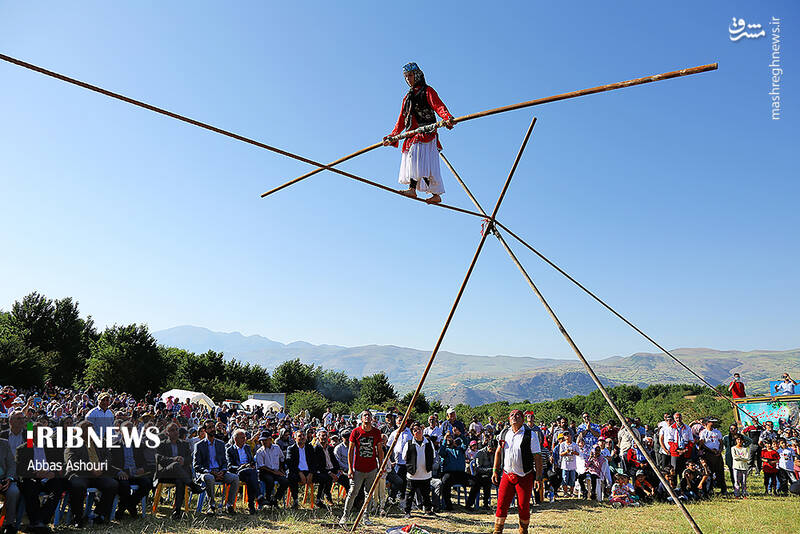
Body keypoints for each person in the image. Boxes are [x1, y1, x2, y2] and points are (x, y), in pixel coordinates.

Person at [383, 62, 455, 205]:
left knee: (419, 160)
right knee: (419, 164)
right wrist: (393, 135)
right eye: (406, 77)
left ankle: (415, 190)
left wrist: (446, 118)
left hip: (426, 133)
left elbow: (438, 106)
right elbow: (402, 119)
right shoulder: (407, 98)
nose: (408, 79)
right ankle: (434, 194)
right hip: (413, 134)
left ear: (417, 75)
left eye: (410, 75)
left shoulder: (427, 91)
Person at [491, 409, 542, 534]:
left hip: (524, 476)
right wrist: (495, 471)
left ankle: (523, 531)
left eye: (518, 415)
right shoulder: (504, 433)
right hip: (507, 474)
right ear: (509, 419)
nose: (514, 417)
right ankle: (497, 531)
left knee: (524, 507)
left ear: (523, 419)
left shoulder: (530, 435)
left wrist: (539, 478)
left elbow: (538, 457)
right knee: (501, 505)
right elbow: (498, 452)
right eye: (512, 415)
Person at [339, 410, 384, 528]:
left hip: (372, 468)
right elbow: (350, 451)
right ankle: (345, 516)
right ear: (361, 418)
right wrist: (350, 468)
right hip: (358, 468)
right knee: (353, 492)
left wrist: (381, 466)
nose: (367, 417)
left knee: (368, 493)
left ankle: (366, 517)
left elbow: (379, 450)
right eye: (365, 415)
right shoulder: (355, 432)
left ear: (372, 418)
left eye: (369, 415)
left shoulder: (376, 432)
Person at [193, 419, 239, 515]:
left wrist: (222, 471)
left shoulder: (220, 444)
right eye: (209, 428)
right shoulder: (199, 445)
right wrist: (211, 471)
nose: (212, 429)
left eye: (213, 427)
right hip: (205, 472)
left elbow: (224, 462)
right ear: (205, 430)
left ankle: (229, 505)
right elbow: (197, 465)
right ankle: (212, 505)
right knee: (209, 478)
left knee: (234, 478)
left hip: (219, 472)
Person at [154, 422, 196, 519]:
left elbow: (190, 459)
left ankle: (177, 511)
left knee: (180, 481)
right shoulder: (161, 444)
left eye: (177, 429)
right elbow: (160, 459)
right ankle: (193, 485)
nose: (176, 432)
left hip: (179, 475)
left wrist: (183, 460)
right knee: (175, 464)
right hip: (165, 474)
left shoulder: (184, 444)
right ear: (167, 433)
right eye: (172, 430)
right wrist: (174, 460)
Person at [400, 421, 435, 519]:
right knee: (409, 495)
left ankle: (428, 510)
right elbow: (404, 457)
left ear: (422, 430)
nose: (417, 432)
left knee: (426, 494)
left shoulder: (429, 442)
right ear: (412, 433)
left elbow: (433, 455)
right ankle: (407, 512)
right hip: (413, 474)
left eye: (419, 429)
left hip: (425, 474)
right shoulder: (409, 443)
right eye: (414, 430)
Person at [225, 429, 259, 514]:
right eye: (242, 438)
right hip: (238, 471)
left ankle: (251, 505)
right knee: (251, 474)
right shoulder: (230, 450)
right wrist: (241, 466)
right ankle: (256, 499)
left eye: (245, 438)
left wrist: (252, 464)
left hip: (249, 472)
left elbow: (251, 460)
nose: (244, 440)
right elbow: (230, 466)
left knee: (250, 476)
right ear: (236, 439)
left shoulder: (247, 448)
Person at [255, 431, 288, 506]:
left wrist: (281, 469)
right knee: (270, 480)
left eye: (265, 440)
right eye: (262, 440)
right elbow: (261, 466)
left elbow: (281, 458)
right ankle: (268, 498)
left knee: (285, 481)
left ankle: (275, 499)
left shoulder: (276, 447)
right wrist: (274, 472)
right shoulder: (259, 451)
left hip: (276, 470)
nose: (263, 442)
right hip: (265, 472)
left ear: (270, 439)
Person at [286, 429, 316, 508]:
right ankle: (295, 500)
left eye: (303, 435)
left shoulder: (310, 448)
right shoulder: (291, 449)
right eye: (299, 436)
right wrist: (300, 473)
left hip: (309, 472)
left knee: (324, 477)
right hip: (296, 472)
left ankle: (319, 499)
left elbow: (314, 462)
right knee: (291, 477)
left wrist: (311, 473)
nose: (302, 437)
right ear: (295, 438)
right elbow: (290, 464)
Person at [698, 419, 727, 496]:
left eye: (714, 422)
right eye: (711, 422)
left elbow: (721, 442)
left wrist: (720, 450)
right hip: (708, 453)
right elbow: (702, 444)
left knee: (720, 472)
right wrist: (710, 450)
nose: (713, 423)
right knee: (709, 472)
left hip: (717, 454)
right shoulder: (704, 432)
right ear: (707, 423)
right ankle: (709, 490)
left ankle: (723, 490)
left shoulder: (717, 432)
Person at [666, 412, 694, 477]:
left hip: (685, 451)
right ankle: (674, 485)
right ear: (674, 419)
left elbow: (691, 440)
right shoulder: (671, 428)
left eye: (679, 417)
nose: (678, 419)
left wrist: (685, 449)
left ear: (682, 418)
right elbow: (670, 441)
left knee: (684, 470)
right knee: (674, 469)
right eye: (676, 418)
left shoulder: (687, 428)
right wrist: (678, 450)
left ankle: (683, 484)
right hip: (675, 452)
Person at [558, 431, 579, 497]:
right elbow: (560, 454)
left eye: (568, 434)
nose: (567, 436)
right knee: (565, 479)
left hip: (572, 465)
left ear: (571, 436)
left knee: (572, 479)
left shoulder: (574, 444)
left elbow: (578, 453)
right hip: (565, 465)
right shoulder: (562, 444)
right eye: (565, 435)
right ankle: (565, 493)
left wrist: (573, 452)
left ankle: (571, 492)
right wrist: (566, 452)